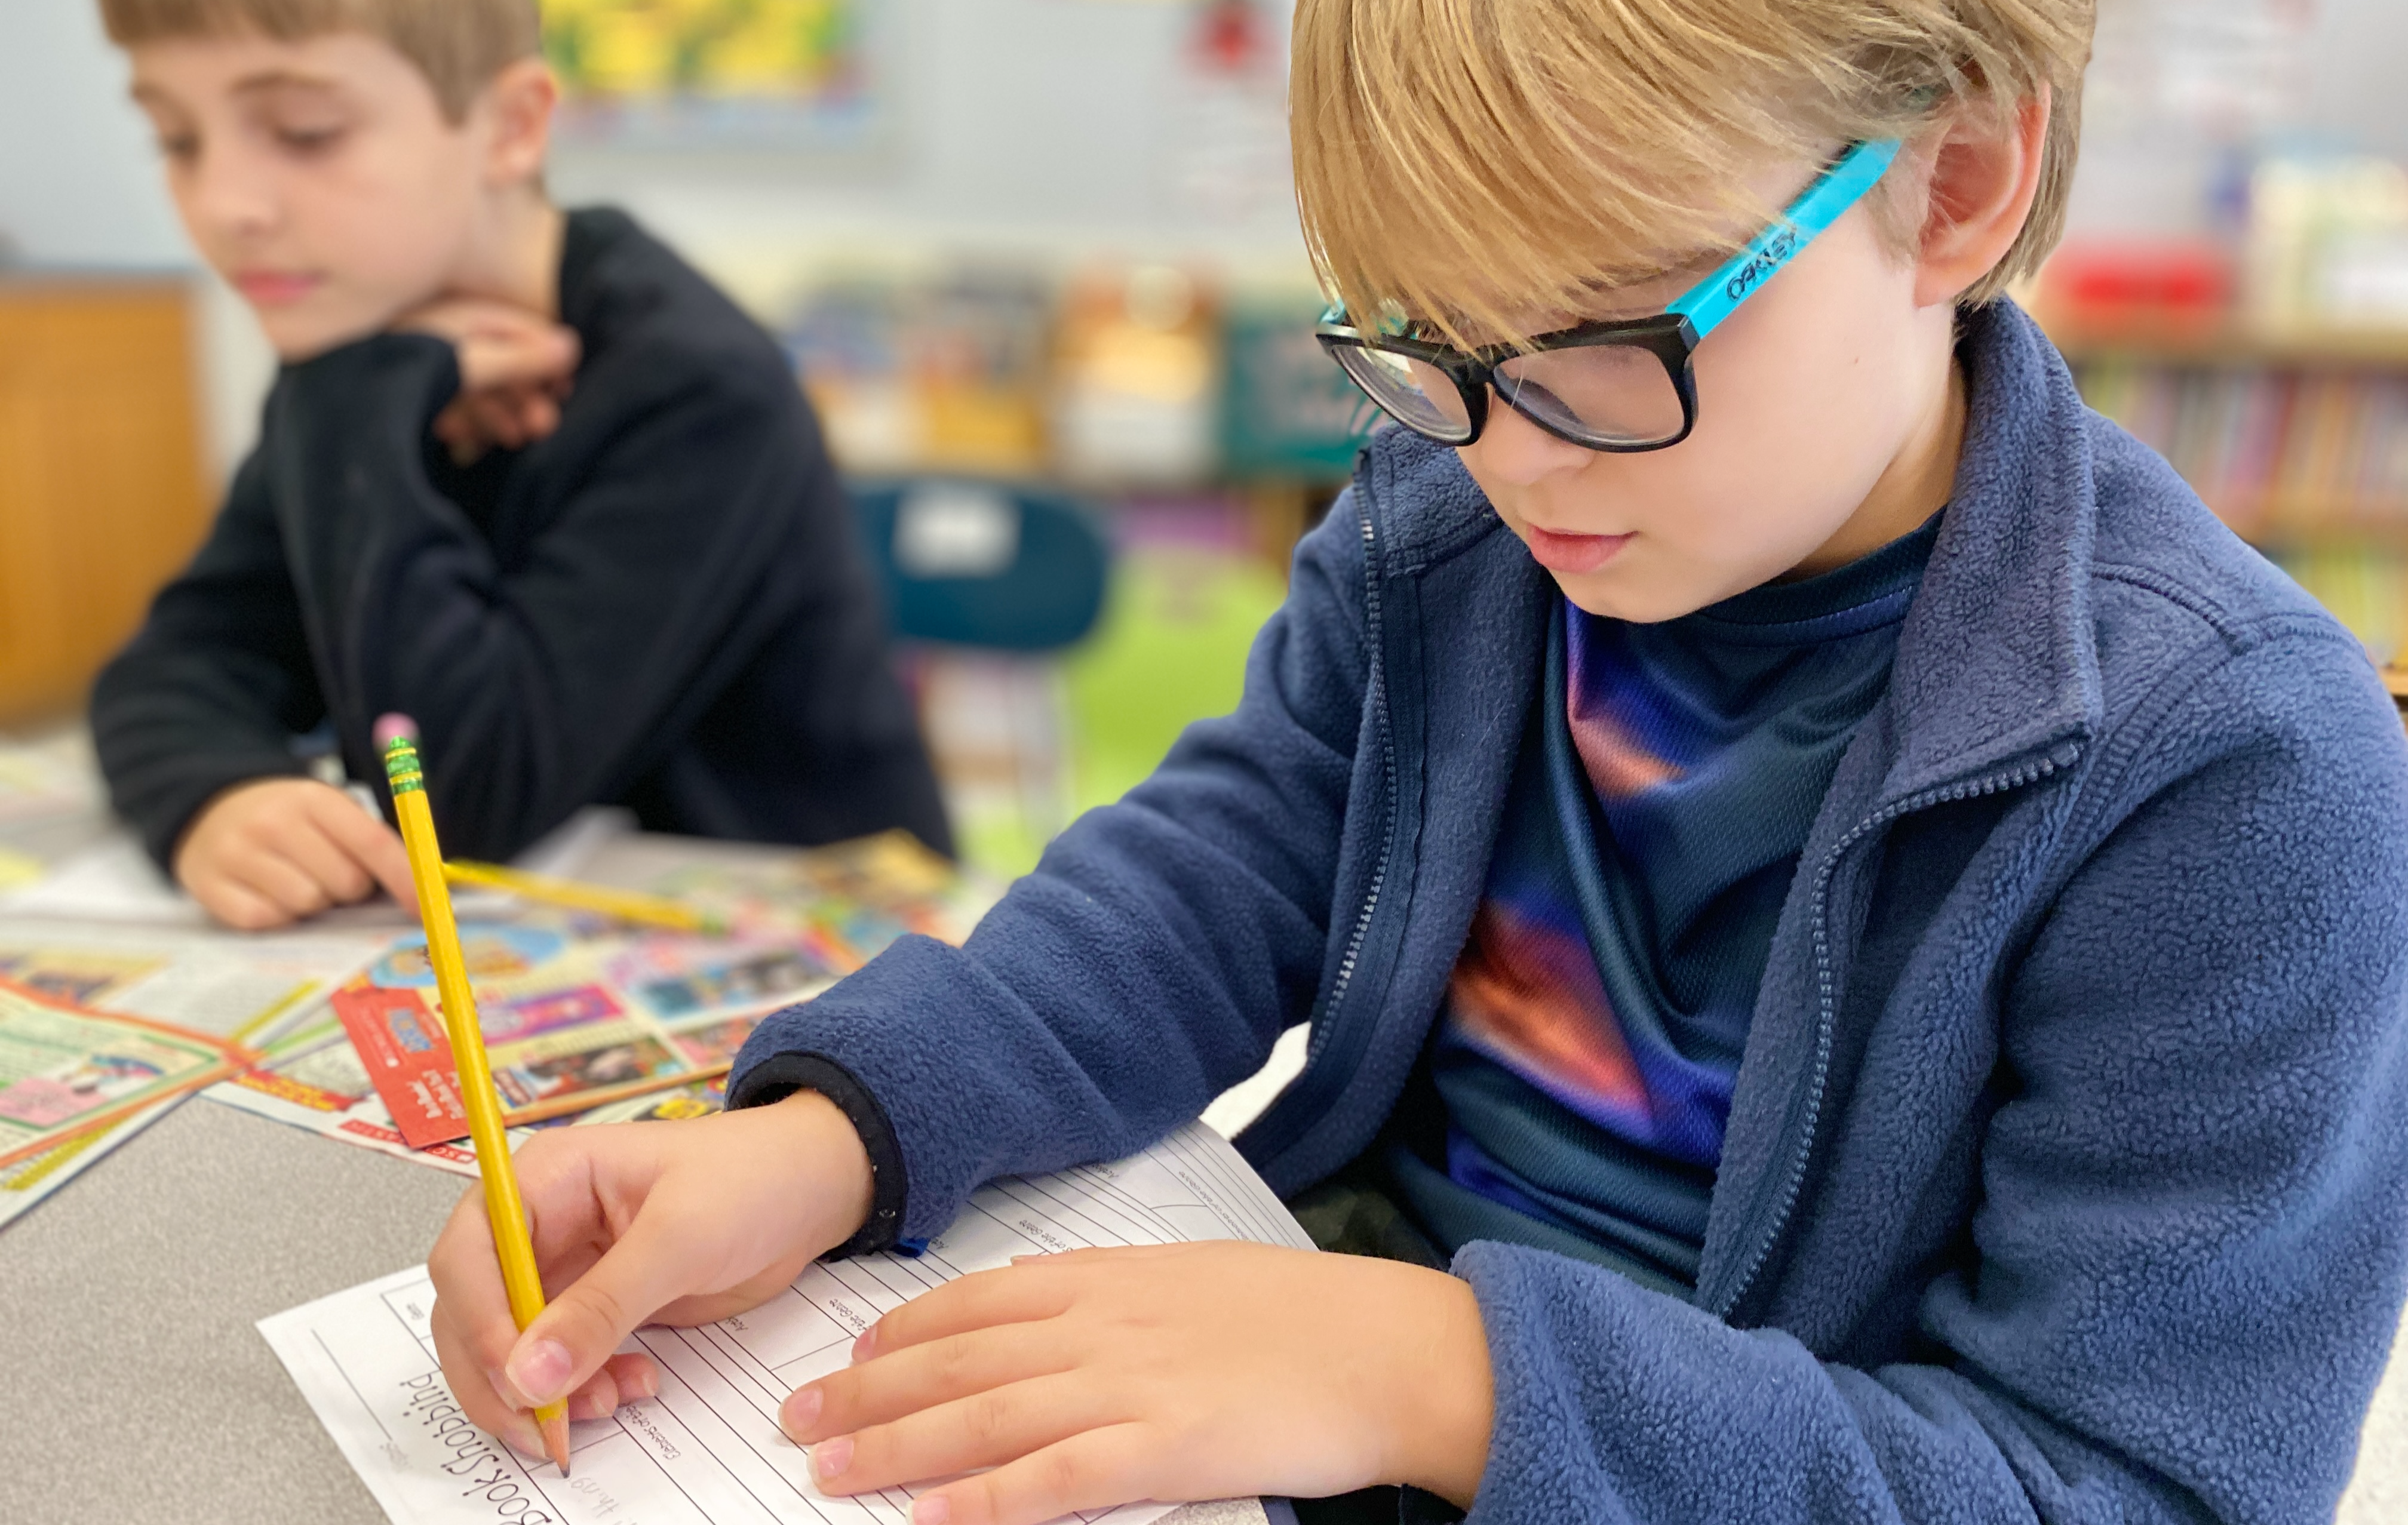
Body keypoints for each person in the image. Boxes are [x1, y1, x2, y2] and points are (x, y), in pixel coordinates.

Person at [428, 1, 2408, 1521]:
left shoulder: (2235, 773)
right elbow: (1211, 876)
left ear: (1952, 186)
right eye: (1417, 344)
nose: (1503, 449)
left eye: (1595, 343)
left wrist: (1449, 1371)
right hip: (1315, 1376)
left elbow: (2126, 1484)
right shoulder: (1457, 524)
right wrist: (830, 1134)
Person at [91, 0, 950, 931]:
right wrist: (213, 795)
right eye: (174, 139)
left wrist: (357, 407)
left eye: (307, 133)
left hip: (824, 956)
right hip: (550, 925)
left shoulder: (697, 385)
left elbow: (466, 794)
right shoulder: (359, 352)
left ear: (510, 129)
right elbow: (174, 663)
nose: (224, 205)